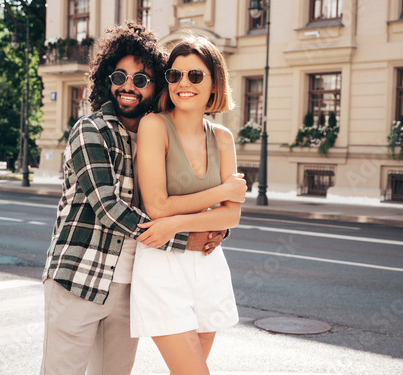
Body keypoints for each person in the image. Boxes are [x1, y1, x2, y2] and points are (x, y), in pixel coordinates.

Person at [40, 21, 245, 375]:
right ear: (107, 80)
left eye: (141, 79)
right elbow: (109, 208)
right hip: (81, 276)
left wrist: (218, 228)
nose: (128, 87)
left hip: (129, 282)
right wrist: (189, 236)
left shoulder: (156, 132)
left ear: (154, 86)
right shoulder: (91, 130)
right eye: (119, 78)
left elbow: (189, 198)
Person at [130, 35, 243, 375]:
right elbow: (157, 206)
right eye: (175, 75)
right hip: (162, 267)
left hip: (208, 266)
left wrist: (175, 223)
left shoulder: (223, 138)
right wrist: (223, 190)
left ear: (213, 84)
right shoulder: (155, 126)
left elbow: (232, 214)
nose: (183, 83)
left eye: (195, 76)